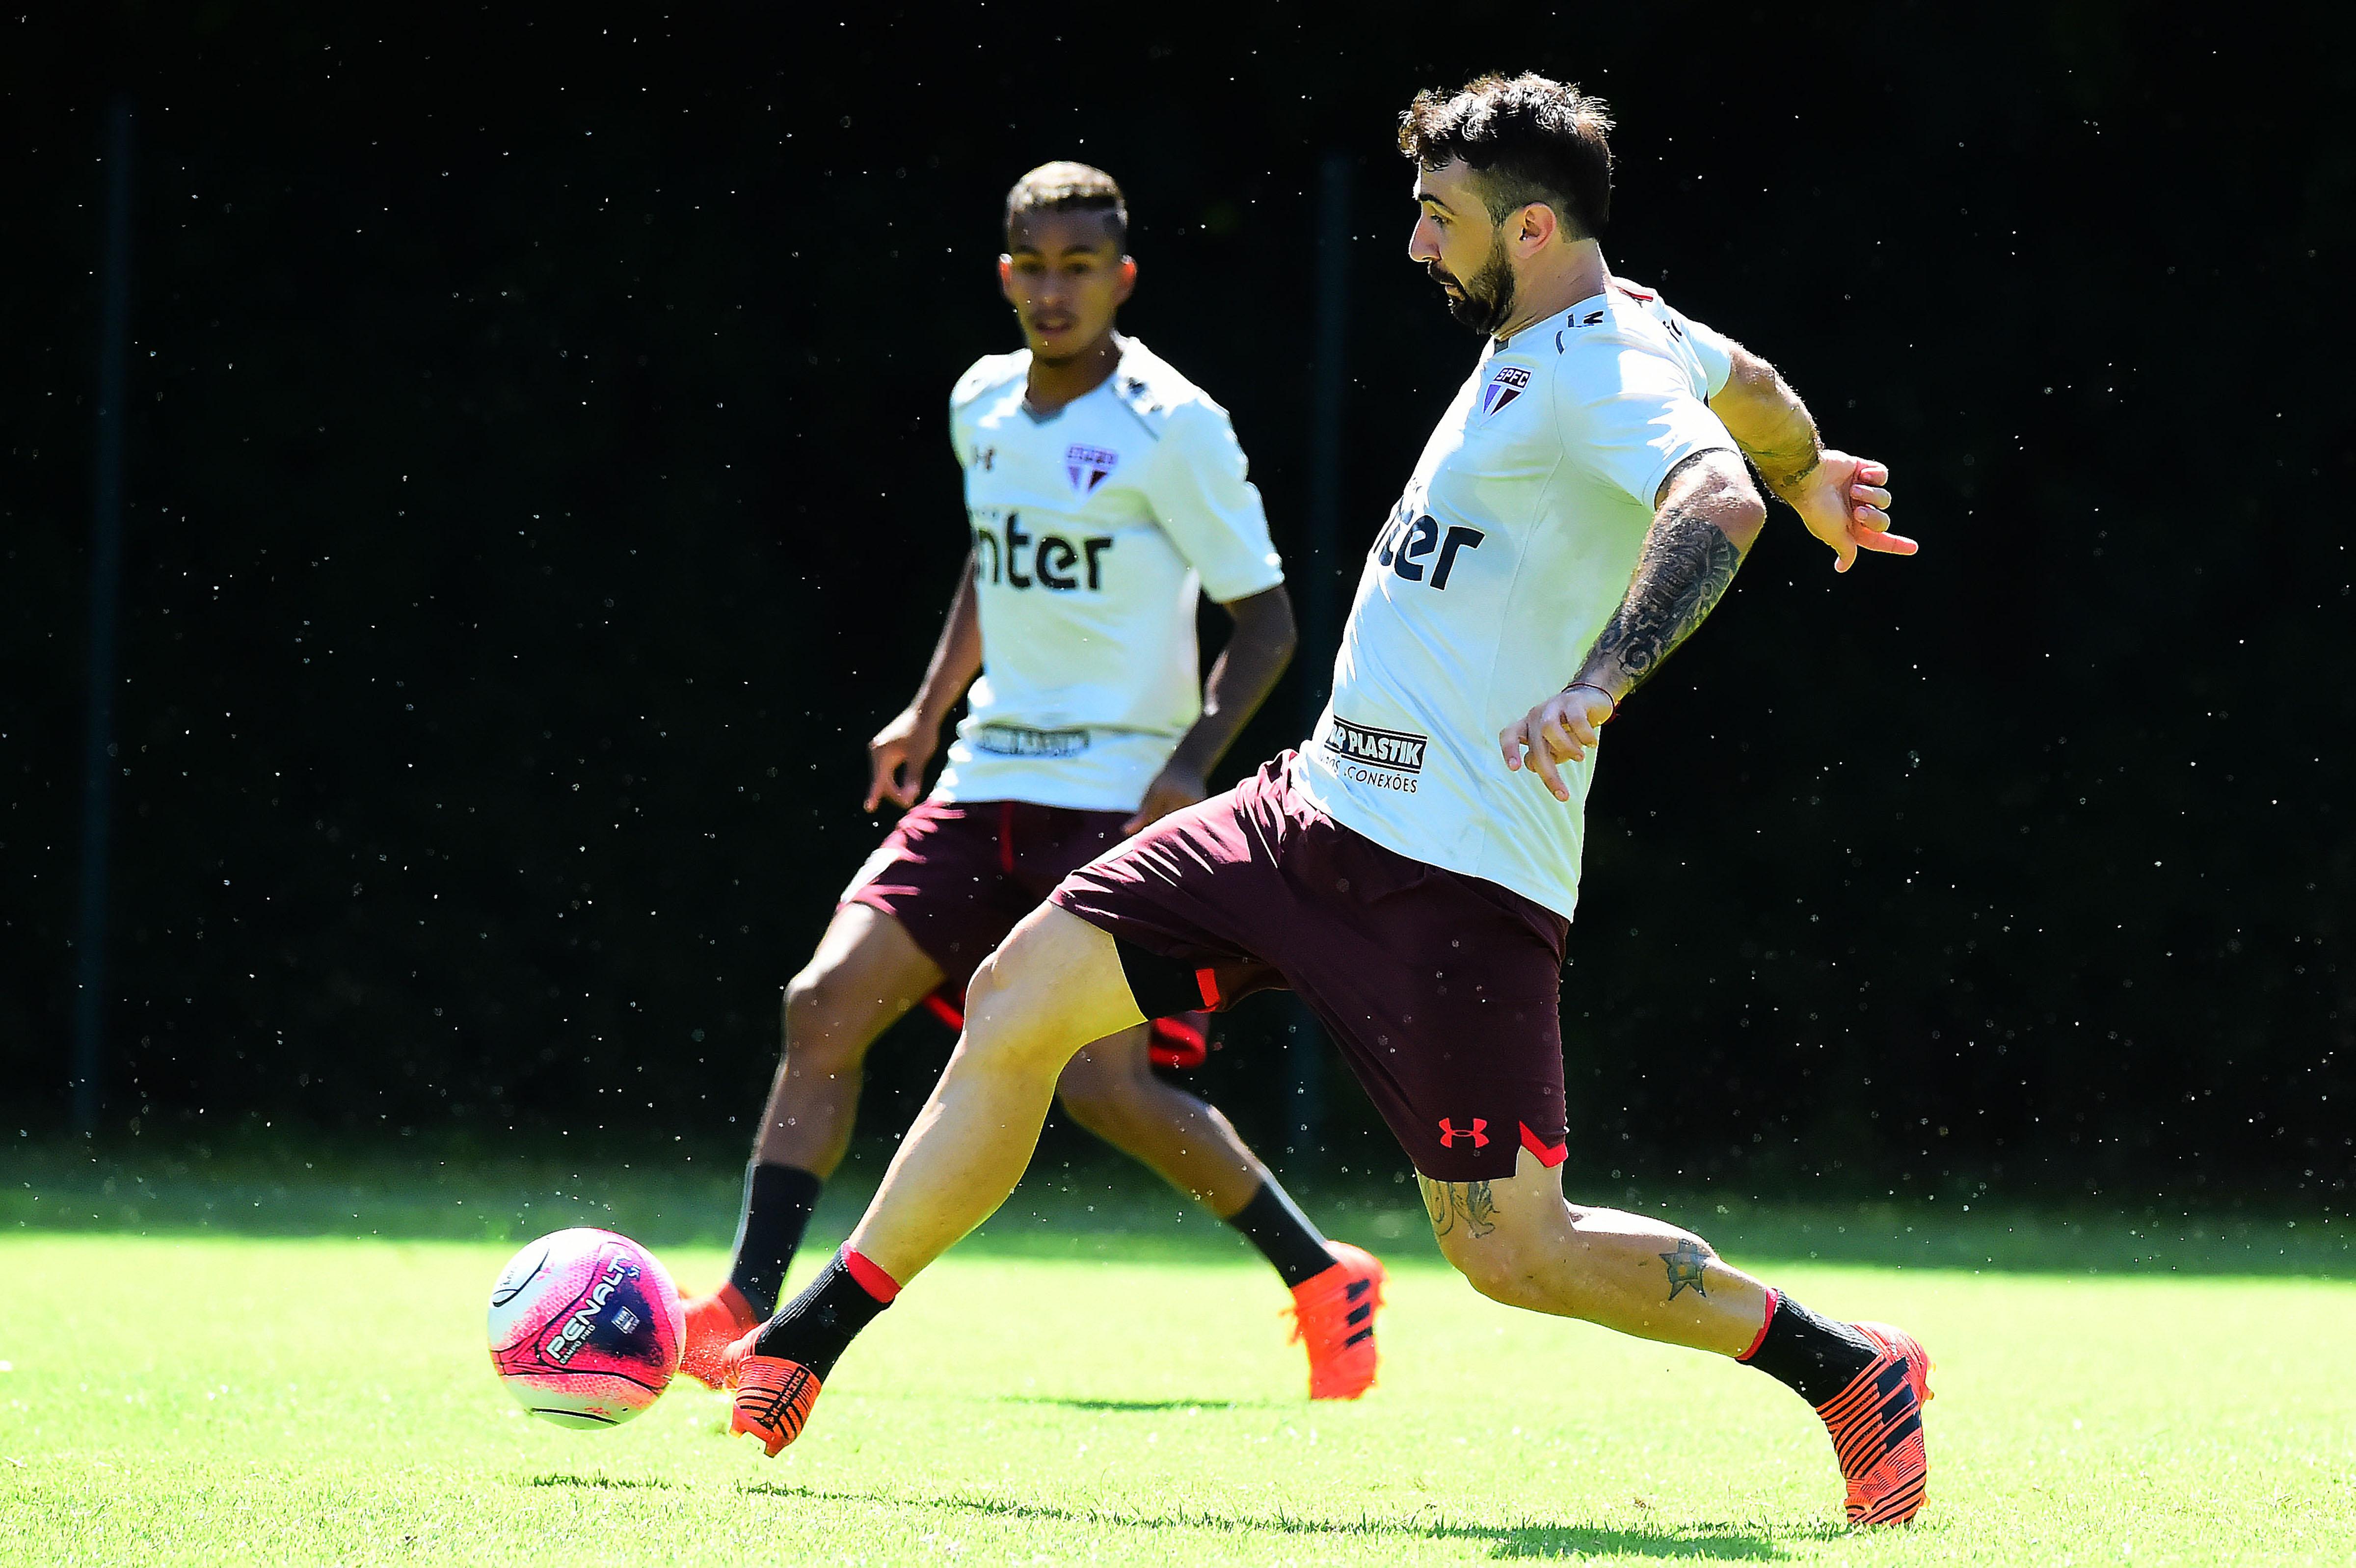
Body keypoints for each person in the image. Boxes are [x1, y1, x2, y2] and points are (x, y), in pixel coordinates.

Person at [720, 78, 1933, 1528]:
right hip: (1306, 814)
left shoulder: (1606, 362)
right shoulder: (1626, 322)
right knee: (1017, 996)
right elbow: (1760, 401)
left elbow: (1712, 497)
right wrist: (1814, 477)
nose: (1416, 244)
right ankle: (813, 1332)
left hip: (1452, 877)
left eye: (1440, 218)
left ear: (1531, 229)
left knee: (1513, 1250)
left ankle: (1845, 1366)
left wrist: (1604, 676)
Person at [676, 161, 1386, 1404]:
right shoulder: (982, 401)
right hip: (984, 774)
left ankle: (1325, 1274)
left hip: (1115, 795)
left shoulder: (1176, 425)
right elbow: (991, 558)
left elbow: (1268, 620)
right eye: (1035, 268)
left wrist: (1187, 765)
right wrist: (926, 707)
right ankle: (741, 1303)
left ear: (1122, 278)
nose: (1055, 291)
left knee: (1108, 1083)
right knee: (822, 1004)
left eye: (1081, 268)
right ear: (1007, 275)